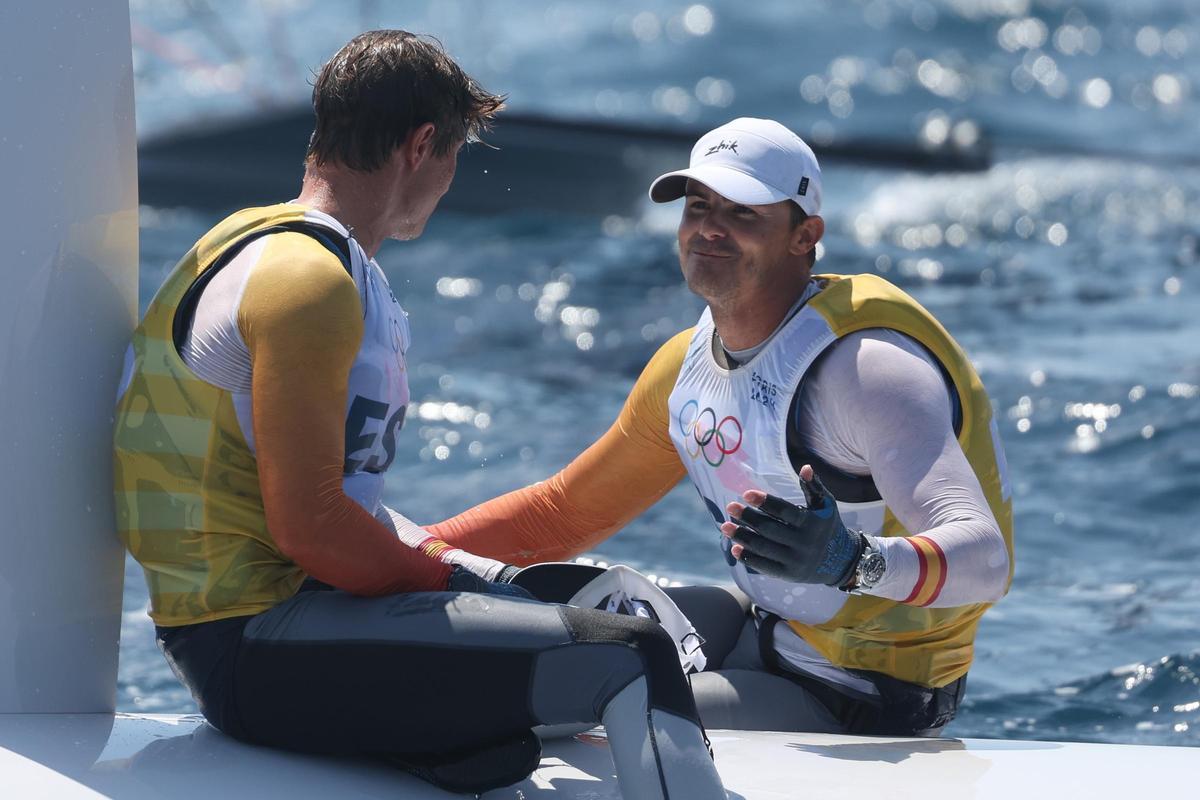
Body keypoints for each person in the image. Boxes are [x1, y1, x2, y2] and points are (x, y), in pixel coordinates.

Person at [113, 30, 726, 799]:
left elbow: (323, 505)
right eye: (453, 157)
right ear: (422, 145)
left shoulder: (254, 239)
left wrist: (489, 577)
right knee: (634, 653)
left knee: (568, 599)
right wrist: (445, 580)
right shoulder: (311, 282)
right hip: (255, 648)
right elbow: (312, 529)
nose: (448, 180)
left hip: (260, 627)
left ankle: (450, 749)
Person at [429, 117, 1015, 738]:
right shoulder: (687, 364)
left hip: (864, 691)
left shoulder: (866, 372)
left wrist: (853, 561)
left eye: (743, 214)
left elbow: (985, 559)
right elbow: (562, 514)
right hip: (764, 626)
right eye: (698, 206)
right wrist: (412, 557)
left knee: (550, 702)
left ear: (804, 235)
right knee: (532, 635)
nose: (709, 227)